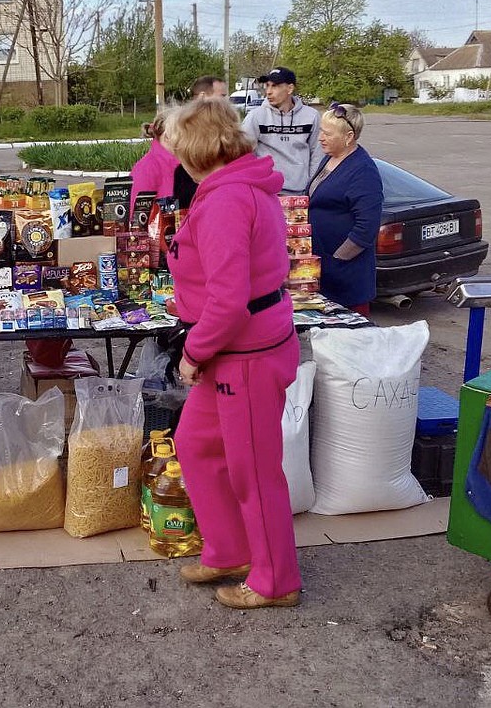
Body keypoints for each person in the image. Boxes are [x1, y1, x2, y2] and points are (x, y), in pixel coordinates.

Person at [162, 95, 303, 610]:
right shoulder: (235, 185)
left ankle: (275, 581)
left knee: (254, 471)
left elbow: (228, 300)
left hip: (242, 354)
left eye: (178, 149)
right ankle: (228, 549)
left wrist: (193, 353)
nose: (175, 158)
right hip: (239, 348)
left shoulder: (224, 199)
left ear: (197, 152)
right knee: (197, 445)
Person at [307, 103, 383, 316]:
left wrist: (337, 260)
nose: (320, 137)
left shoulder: (363, 171)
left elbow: (366, 228)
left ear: (349, 136)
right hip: (321, 272)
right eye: (321, 131)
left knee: (348, 342)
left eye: (327, 133)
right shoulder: (330, 158)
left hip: (346, 280)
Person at [240, 66, 324, 195]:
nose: (268, 91)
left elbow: (317, 154)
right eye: (267, 86)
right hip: (265, 192)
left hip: (300, 193)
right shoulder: (255, 117)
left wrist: (312, 187)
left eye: (275, 86)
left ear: (290, 88)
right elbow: (242, 153)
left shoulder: (312, 116)